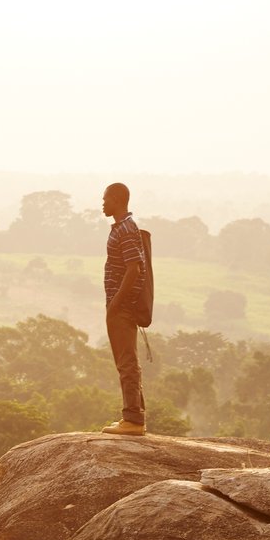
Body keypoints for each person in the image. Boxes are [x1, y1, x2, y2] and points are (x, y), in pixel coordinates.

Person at [99, 182, 148, 436]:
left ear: (117, 199)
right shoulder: (122, 228)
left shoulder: (127, 229)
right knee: (127, 361)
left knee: (127, 362)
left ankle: (133, 420)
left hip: (122, 307)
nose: (103, 203)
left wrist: (116, 304)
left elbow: (134, 269)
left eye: (106, 199)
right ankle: (135, 415)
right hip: (119, 305)